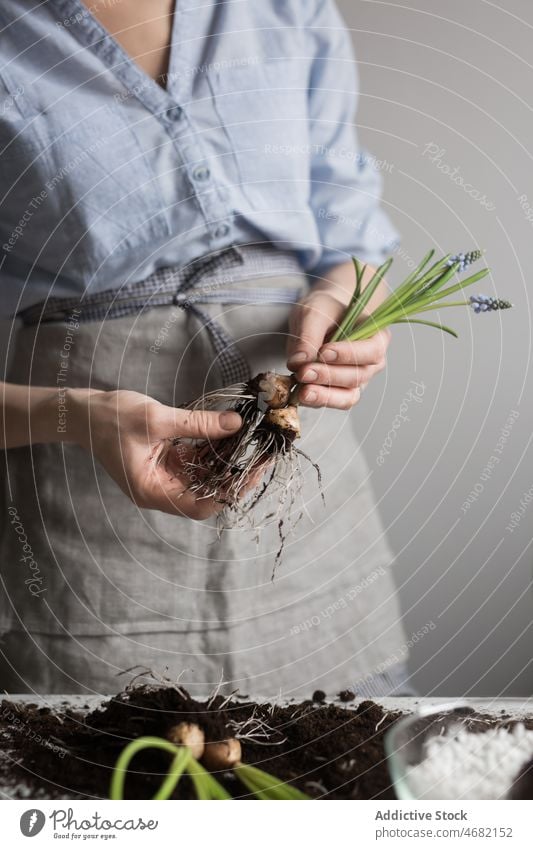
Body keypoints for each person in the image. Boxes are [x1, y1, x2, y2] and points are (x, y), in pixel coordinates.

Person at [0, 0, 412, 698]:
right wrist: (77, 415)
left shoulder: (286, 9)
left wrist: (352, 301)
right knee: (116, 779)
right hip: (89, 514)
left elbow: (353, 245)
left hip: (308, 499)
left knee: (344, 764)